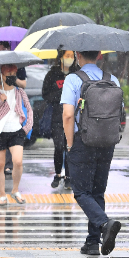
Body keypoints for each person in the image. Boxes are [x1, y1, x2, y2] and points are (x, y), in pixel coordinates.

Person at [61, 51, 122, 256]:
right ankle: (93, 242)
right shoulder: (112, 79)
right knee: (97, 191)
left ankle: (105, 223)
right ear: (99, 55)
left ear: (77, 55)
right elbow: (119, 111)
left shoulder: (73, 79)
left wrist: (70, 144)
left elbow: (68, 115)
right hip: (107, 142)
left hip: (83, 141)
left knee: (81, 192)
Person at [0, 64, 33, 206]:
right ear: (0, 73)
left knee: (18, 161)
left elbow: (29, 110)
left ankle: (15, 189)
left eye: (13, 72)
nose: (11, 75)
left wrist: (27, 128)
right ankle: (2, 194)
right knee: (0, 165)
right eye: (8, 72)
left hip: (16, 131)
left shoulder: (20, 92)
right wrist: (0, 100)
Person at [0, 41, 27, 175]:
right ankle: (1, 164)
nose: (0, 51)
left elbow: (23, 84)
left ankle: (8, 165)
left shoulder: (17, 64)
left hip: (13, 100)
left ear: (9, 49)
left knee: (11, 130)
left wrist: (12, 78)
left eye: (3, 49)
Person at [43, 50, 77, 189]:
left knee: (70, 147)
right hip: (57, 117)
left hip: (73, 117)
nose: (70, 58)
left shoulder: (76, 73)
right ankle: (58, 174)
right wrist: (61, 95)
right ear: (61, 57)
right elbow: (45, 94)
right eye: (67, 56)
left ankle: (69, 177)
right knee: (58, 147)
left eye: (72, 56)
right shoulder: (52, 74)